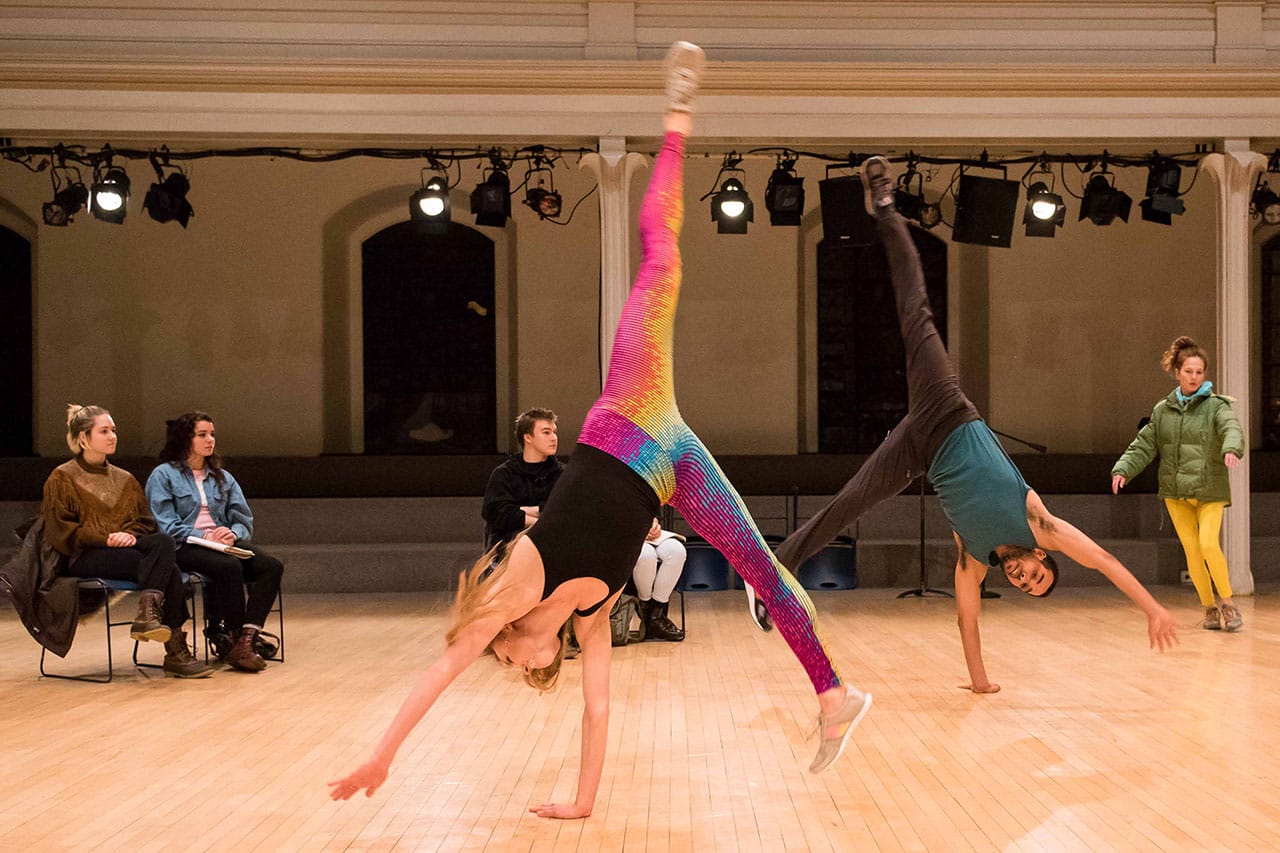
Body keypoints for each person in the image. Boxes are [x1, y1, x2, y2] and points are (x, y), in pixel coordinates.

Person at [329, 42, 869, 815]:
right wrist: (582, 802)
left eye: (505, 658)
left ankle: (676, 115)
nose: (511, 664)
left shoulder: (514, 581)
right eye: (518, 667)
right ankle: (834, 695)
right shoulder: (587, 618)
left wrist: (380, 753)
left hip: (627, 410)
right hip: (670, 462)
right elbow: (599, 707)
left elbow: (442, 669)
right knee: (763, 569)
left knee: (662, 263)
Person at [774, 158, 1179, 694]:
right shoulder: (1041, 525)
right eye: (1035, 576)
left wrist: (981, 685)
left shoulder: (974, 558)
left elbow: (967, 622)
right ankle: (887, 206)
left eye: (1024, 588)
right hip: (947, 408)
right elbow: (1103, 560)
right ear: (1041, 558)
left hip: (918, 450)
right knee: (915, 312)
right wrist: (1152, 608)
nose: (1022, 579)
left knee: (851, 502)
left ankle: (777, 569)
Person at [41, 404, 213, 678]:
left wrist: (129, 534)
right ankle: (175, 649)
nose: (112, 436)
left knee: (163, 543)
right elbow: (61, 531)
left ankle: (148, 614)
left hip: (125, 550)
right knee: (169, 569)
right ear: (83, 438)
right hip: (83, 555)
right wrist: (106, 538)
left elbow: (145, 521)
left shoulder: (125, 479)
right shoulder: (62, 477)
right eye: (104, 431)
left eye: (114, 430)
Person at [1111, 336, 1245, 631]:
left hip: (1209, 488)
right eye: (1188, 371)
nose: (1194, 377)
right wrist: (1123, 469)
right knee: (1192, 550)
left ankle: (1229, 604)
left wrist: (1231, 448)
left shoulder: (1216, 406)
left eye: (1199, 372)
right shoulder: (1163, 410)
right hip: (1176, 492)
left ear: (1204, 375)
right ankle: (1209, 608)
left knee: (1209, 544)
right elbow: (1144, 444)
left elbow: (1231, 427)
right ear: (1177, 373)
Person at [146, 411, 286, 672]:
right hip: (183, 545)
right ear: (185, 439)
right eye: (202, 435)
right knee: (228, 566)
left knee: (271, 566)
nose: (210, 440)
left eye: (212, 434)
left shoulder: (223, 476)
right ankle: (234, 638)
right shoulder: (163, 475)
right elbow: (165, 525)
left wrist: (233, 533)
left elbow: (244, 520)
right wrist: (204, 535)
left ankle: (246, 639)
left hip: (223, 544)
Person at [481, 408, 564, 558]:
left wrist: (521, 510)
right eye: (546, 432)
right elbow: (494, 512)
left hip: (552, 553)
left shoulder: (562, 475)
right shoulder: (504, 474)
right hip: (507, 556)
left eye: (554, 432)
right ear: (528, 437)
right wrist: (541, 519)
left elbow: (565, 511)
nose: (554, 438)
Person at [632, 518, 687, 642]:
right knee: (646, 556)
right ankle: (646, 607)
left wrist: (653, 523)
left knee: (677, 551)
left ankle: (655, 615)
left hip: (648, 531)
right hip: (627, 534)